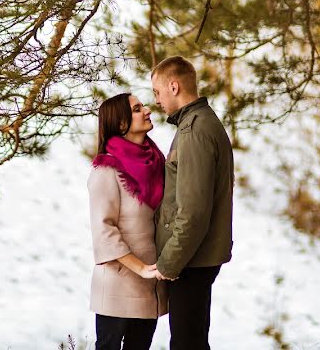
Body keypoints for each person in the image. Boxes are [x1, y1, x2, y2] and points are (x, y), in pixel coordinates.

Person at [150, 56, 234, 350]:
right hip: (195, 257)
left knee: (187, 343)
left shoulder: (195, 130)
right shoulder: (196, 124)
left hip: (191, 259)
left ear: (174, 86)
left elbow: (194, 212)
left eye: (157, 92)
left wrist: (168, 263)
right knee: (191, 340)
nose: (156, 100)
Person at [88, 93, 169, 350]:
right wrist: (141, 268)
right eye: (137, 109)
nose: (146, 110)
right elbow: (104, 230)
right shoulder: (106, 170)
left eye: (142, 105)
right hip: (118, 285)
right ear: (122, 124)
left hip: (150, 286)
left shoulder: (158, 162)